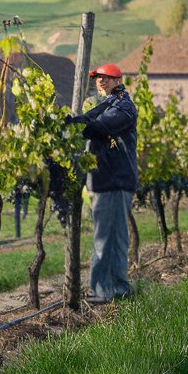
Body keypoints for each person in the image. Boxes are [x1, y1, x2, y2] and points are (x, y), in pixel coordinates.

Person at [65, 62, 138, 304]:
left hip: (113, 180)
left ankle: (102, 290)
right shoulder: (109, 103)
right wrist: (73, 121)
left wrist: (73, 125)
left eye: (106, 77)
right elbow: (89, 119)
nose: (101, 81)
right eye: (98, 78)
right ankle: (117, 288)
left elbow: (98, 126)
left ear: (118, 80)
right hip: (109, 180)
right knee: (115, 236)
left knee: (106, 237)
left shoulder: (124, 107)